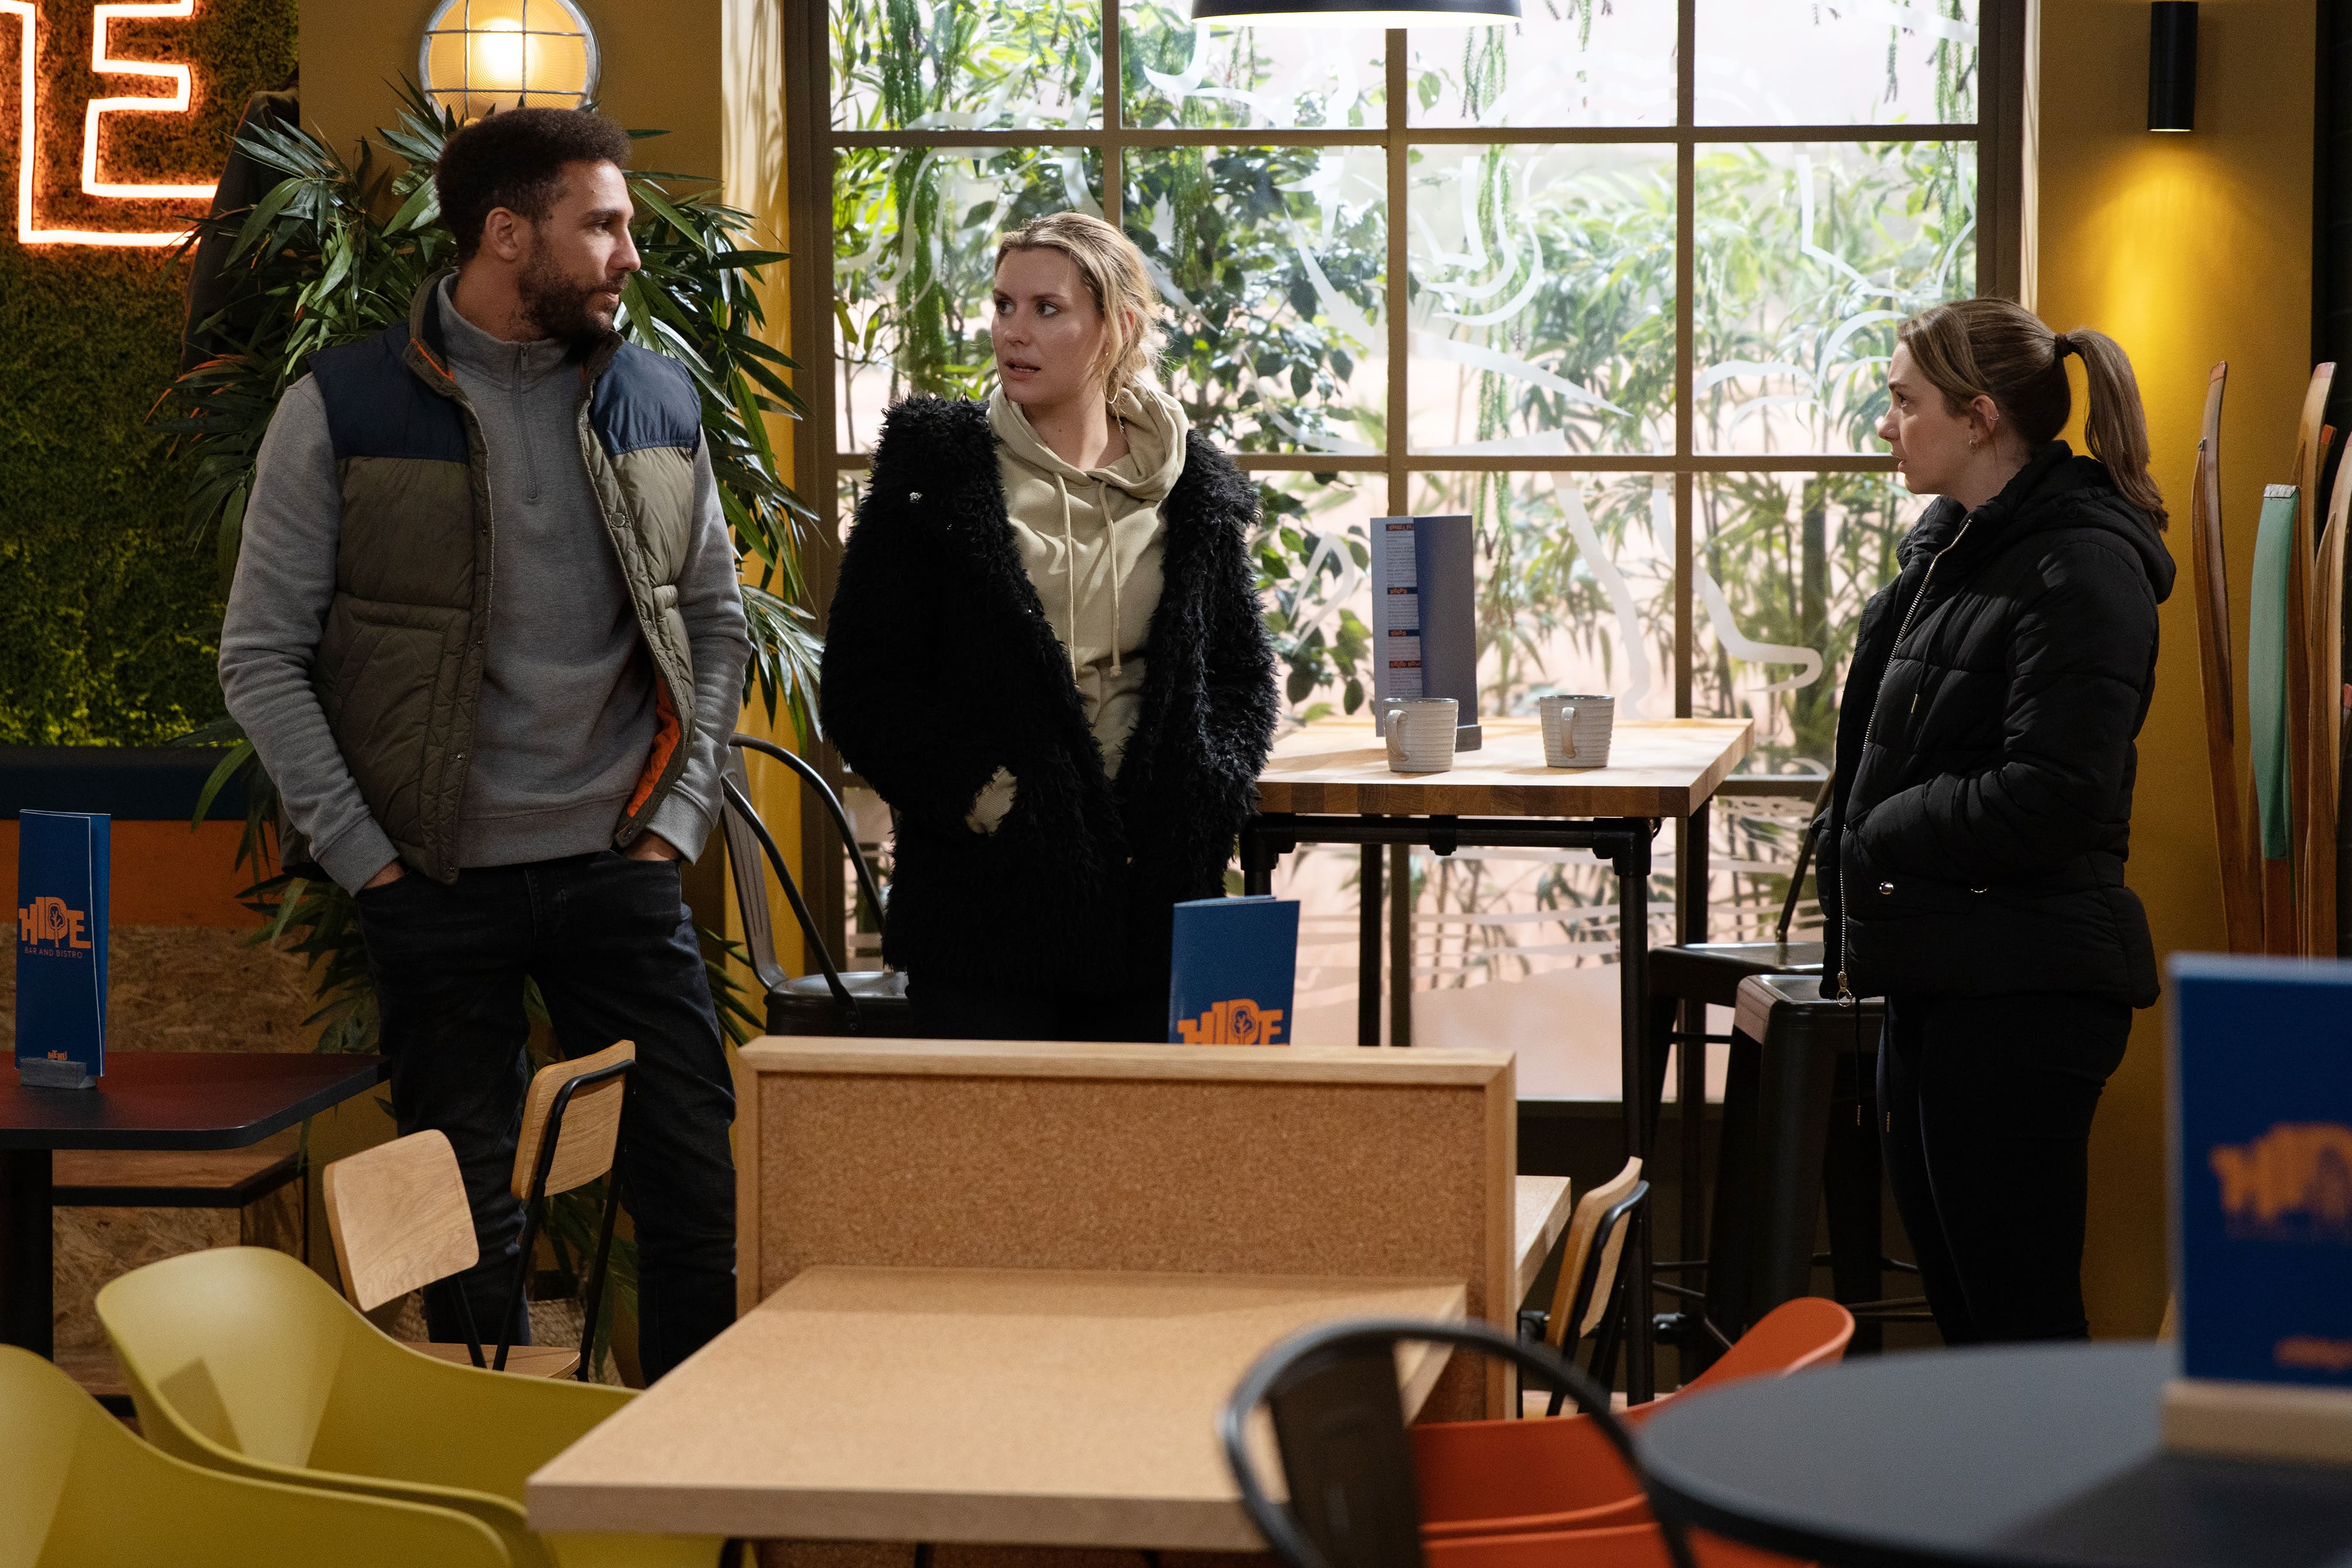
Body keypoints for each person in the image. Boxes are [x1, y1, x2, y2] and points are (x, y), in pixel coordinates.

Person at [218, 108, 748, 1380]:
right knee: (467, 1223)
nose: (630, 254)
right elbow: (261, 655)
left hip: (618, 866)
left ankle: (695, 1463)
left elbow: (717, 626)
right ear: (507, 235)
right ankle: (495, 1465)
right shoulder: (341, 405)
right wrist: (370, 862)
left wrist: (673, 824)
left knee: (693, 1191)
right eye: (602, 226)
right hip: (432, 880)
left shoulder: (655, 395)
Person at [821, 211, 1277, 1042]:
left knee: (1155, 1127)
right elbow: (864, 686)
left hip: (1152, 896)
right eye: (1003, 305)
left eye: (1046, 309)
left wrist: (1200, 793)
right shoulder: (937, 473)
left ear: (1118, 326)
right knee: (997, 1132)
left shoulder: (1194, 488)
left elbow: (1241, 677)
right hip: (988, 899)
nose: (1013, 332)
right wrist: (993, 801)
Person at [1819, 297, 2173, 1345]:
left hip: (2023, 992)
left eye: (1904, 402)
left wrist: (1884, 828)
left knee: (2021, 1336)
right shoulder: (1956, 554)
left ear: (1980, 417)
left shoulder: (2080, 568)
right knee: (1974, 1335)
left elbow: (2056, 792)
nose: (1886, 424)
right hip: (1947, 970)